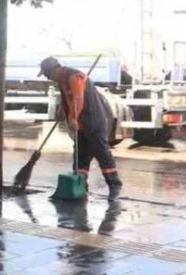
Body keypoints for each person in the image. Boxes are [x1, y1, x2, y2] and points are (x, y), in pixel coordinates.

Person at [39, 56, 123, 200]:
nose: (47, 77)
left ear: (55, 69)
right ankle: (80, 186)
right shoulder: (62, 79)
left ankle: (115, 185)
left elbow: (78, 99)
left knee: (101, 152)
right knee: (80, 155)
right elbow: (68, 98)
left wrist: (72, 117)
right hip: (82, 122)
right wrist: (62, 111)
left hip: (93, 119)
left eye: (47, 74)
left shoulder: (74, 77)